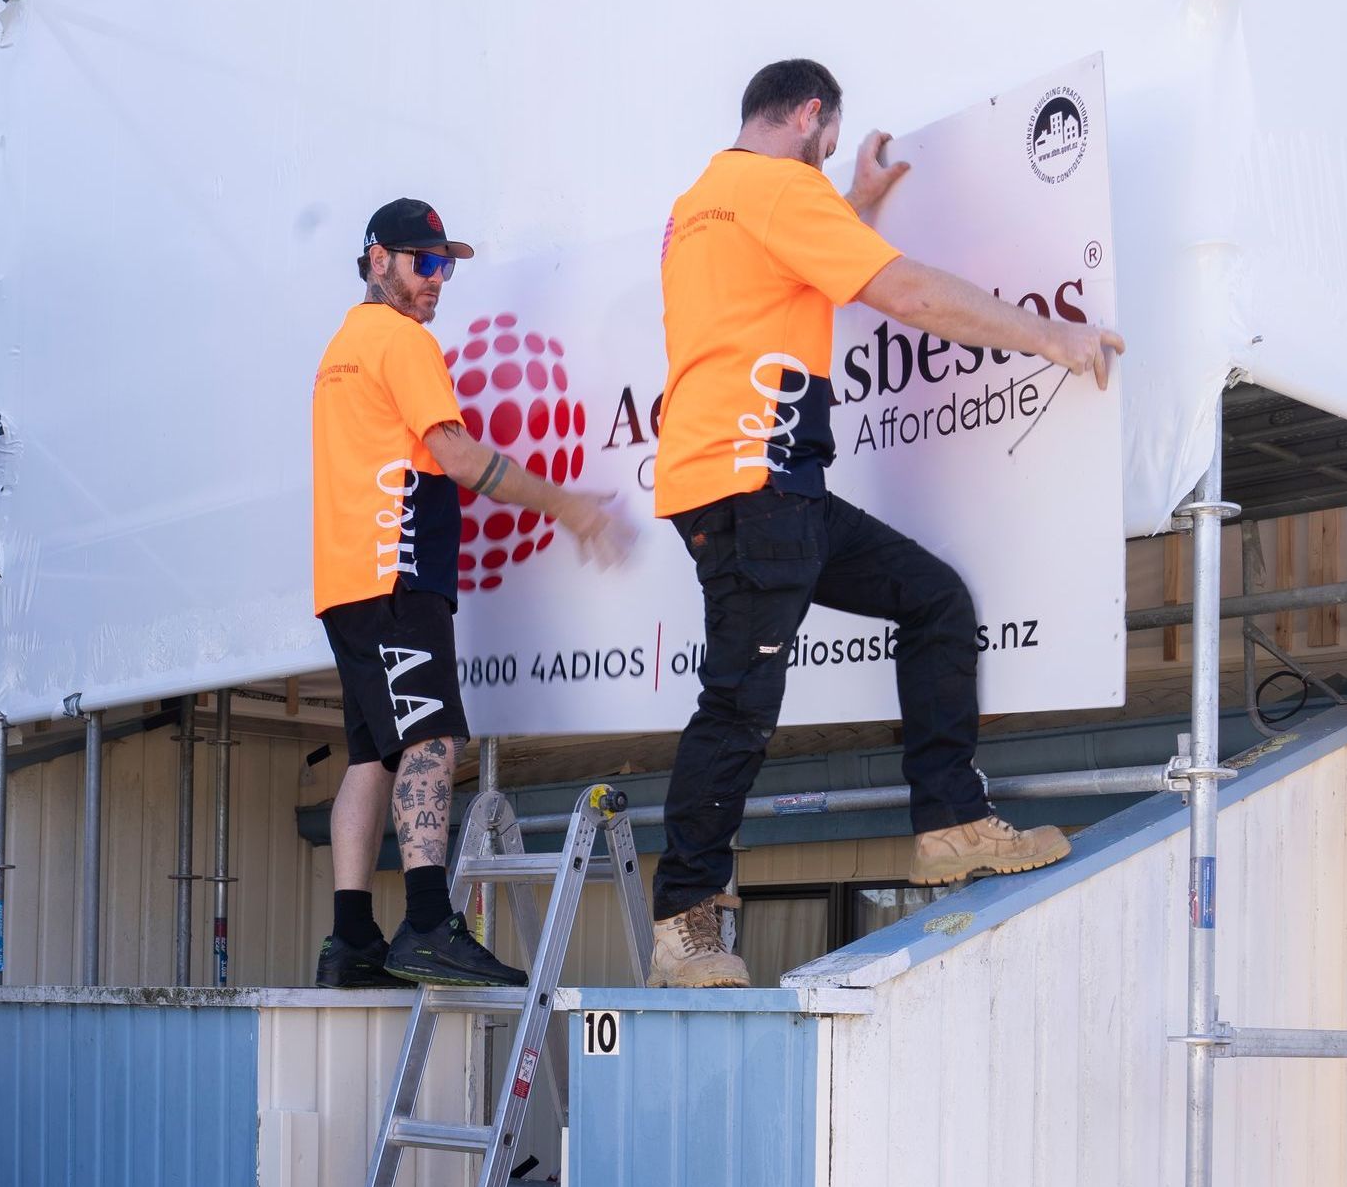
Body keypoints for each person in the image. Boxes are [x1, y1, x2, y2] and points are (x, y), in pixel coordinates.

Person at [647, 60, 1126, 989]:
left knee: (933, 600)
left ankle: (950, 825)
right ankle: (684, 921)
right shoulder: (780, 189)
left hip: (764, 488)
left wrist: (857, 204)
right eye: (828, 146)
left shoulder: (700, 204)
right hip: (756, 484)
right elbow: (909, 294)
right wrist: (1051, 336)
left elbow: (793, 268)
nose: (828, 161)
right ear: (812, 114)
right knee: (738, 705)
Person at [312, 198, 632, 989]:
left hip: (348, 582)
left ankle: (351, 939)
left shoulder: (343, 346)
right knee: (432, 740)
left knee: (372, 755)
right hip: (396, 571)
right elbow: (455, 457)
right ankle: (427, 922)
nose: (436, 280)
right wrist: (568, 506)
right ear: (378, 259)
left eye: (445, 266)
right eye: (424, 262)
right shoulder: (402, 341)